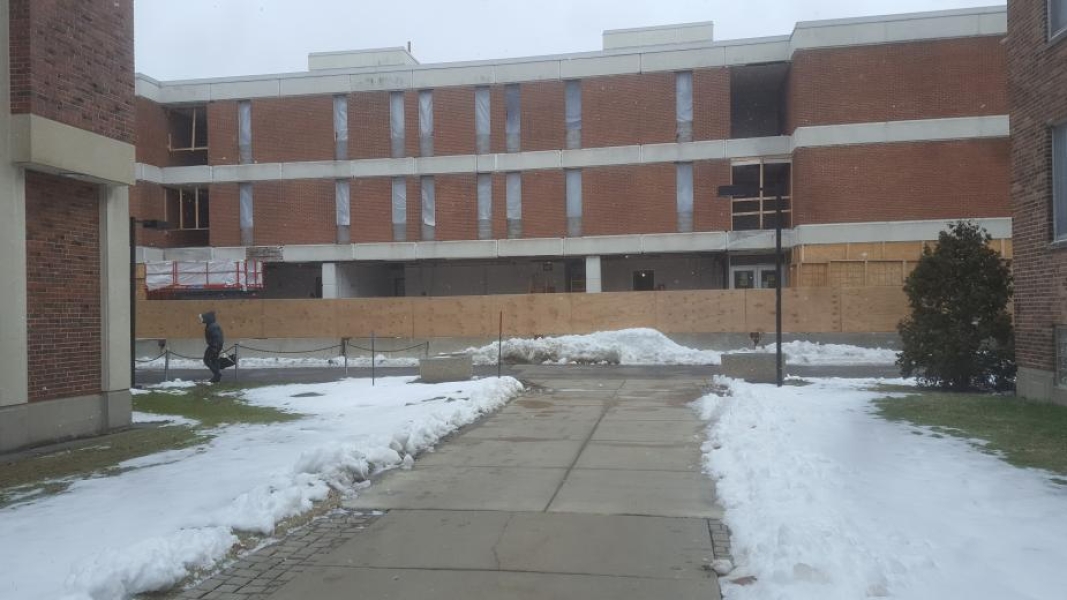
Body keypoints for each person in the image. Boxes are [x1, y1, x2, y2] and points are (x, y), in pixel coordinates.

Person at [198, 311, 224, 383]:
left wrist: (215, 347)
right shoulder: (212, 325)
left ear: (207, 319)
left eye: (203, 318)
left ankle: (217, 374)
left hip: (214, 346)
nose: (201, 320)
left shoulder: (212, 326)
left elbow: (217, 337)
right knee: (214, 360)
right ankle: (216, 377)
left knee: (206, 359)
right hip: (216, 346)